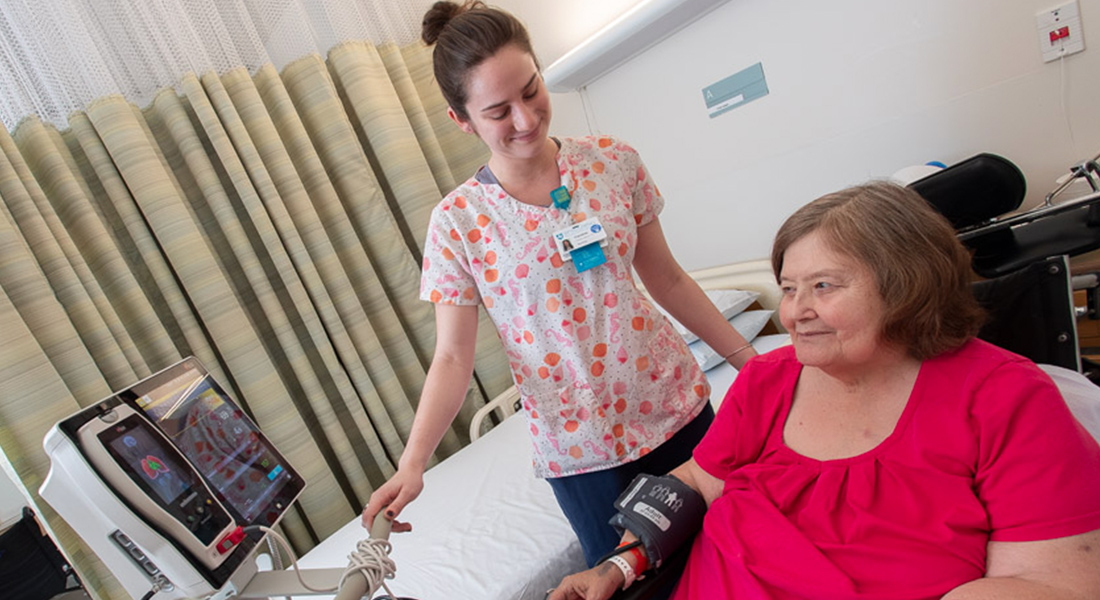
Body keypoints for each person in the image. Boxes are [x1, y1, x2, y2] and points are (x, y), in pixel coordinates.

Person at [549, 181, 1100, 599]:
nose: (794, 313)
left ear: (905, 285)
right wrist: (619, 565)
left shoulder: (1004, 400)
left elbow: (1048, 582)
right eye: (789, 289)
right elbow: (696, 481)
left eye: (823, 286)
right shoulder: (767, 380)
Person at [361, 0, 757, 567]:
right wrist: (414, 462)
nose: (525, 119)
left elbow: (667, 278)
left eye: (530, 90)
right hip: (583, 453)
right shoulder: (458, 223)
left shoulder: (614, 162)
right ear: (462, 120)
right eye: (498, 111)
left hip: (677, 409)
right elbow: (452, 356)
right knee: (636, 583)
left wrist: (748, 359)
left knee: (740, 554)